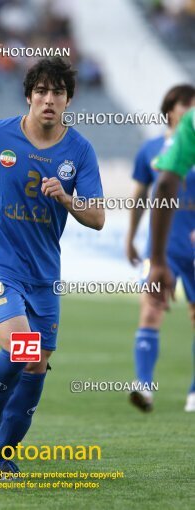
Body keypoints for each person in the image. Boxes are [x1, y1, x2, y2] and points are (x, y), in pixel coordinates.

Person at [0, 57, 104, 476]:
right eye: (42, 91)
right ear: (29, 96)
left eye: (58, 93)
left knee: (37, 363)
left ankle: (4, 451)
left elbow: (98, 217)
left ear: (69, 100)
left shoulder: (80, 151)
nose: (49, 100)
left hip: (44, 275)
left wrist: (67, 199)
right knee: (22, 347)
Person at [126, 85, 195, 412]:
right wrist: (131, 236)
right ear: (170, 109)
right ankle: (144, 387)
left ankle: (194, 393)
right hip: (161, 247)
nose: (190, 109)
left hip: (191, 243)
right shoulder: (150, 149)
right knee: (151, 310)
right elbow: (142, 195)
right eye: (185, 104)